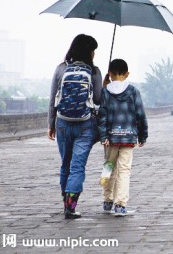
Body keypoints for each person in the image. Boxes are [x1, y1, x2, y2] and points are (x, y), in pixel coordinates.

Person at [48, 34, 103, 219]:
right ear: (89, 51)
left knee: (65, 165)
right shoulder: (94, 71)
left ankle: (66, 203)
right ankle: (70, 208)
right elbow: (97, 99)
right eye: (93, 50)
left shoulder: (61, 69)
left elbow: (52, 100)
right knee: (77, 167)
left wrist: (51, 124)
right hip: (85, 125)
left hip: (62, 122)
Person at [97, 58, 148, 217]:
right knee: (124, 170)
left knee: (108, 167)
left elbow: (102, 116)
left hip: (110, 139)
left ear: (110, 74)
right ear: (127, 74)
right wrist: (142, 135)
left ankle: (107, 200)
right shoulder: (133, 91)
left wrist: (103, 135)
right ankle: (120, 204)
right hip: (128, 138)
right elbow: (140, 114)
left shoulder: (105, 92)